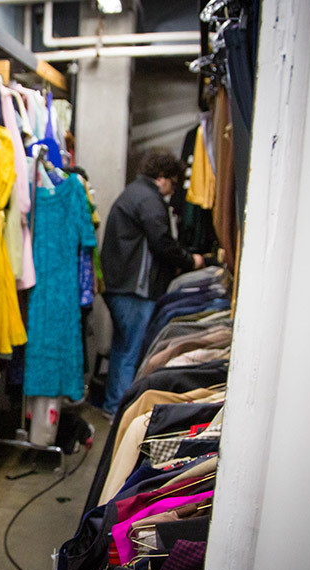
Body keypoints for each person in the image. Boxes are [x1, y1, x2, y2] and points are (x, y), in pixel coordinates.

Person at [99, 149, 204, 418]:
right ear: (162, 178)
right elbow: (161, 241)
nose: (172, 191)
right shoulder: (149, 199)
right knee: (131, 352)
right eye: (173, 183)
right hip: (134, 289)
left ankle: (114, 406)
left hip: (121, 285)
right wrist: (191, 261)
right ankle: (120, 411)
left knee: (124, 349)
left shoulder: (135, 193)